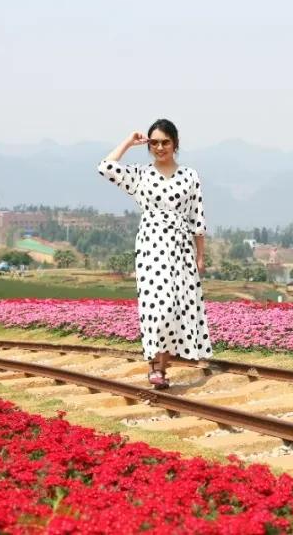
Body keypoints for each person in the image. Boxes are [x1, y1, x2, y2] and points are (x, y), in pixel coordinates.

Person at [98, 119, 213, 389]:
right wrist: (128, 142)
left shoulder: (190, 176)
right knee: (157, 308)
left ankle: (161, 367)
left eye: (165, 142)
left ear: (175, 143)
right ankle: (154, 365)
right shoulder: (141, 175)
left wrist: (200, 256)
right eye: (154, 143)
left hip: (181, 249)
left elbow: (198, 219)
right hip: (151, 247)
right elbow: (105, 167)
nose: (160, 147)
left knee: (175, 308)